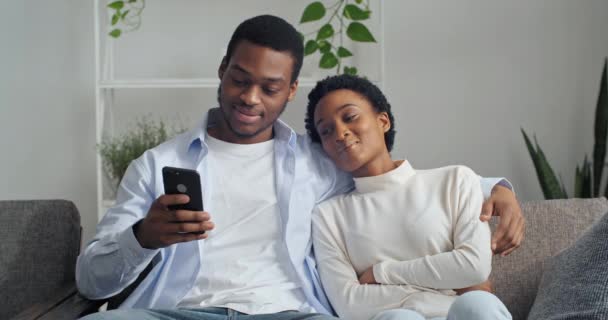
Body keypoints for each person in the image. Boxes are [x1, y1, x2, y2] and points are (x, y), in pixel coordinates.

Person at [77, 15, 523, 320]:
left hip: (292, 312)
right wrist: (142, 238)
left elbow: (393, 182)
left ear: (289, 92)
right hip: (175, 311)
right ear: (222, 70)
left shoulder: (319, 160)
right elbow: (90, 281)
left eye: (269, 87)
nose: (251, 98)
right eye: (240, 79)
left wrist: (494, 188)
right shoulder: (157, 165)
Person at [306, 74, 513, 320]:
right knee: (399, 318)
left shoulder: (456, 180)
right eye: (326, 131)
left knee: (477, 303)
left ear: (383, 121)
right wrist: (439, 290)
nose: (340, 133)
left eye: (349, 117)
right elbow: (349, 305)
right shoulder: (328, 215)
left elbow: (474, 267)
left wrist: (381, 273)